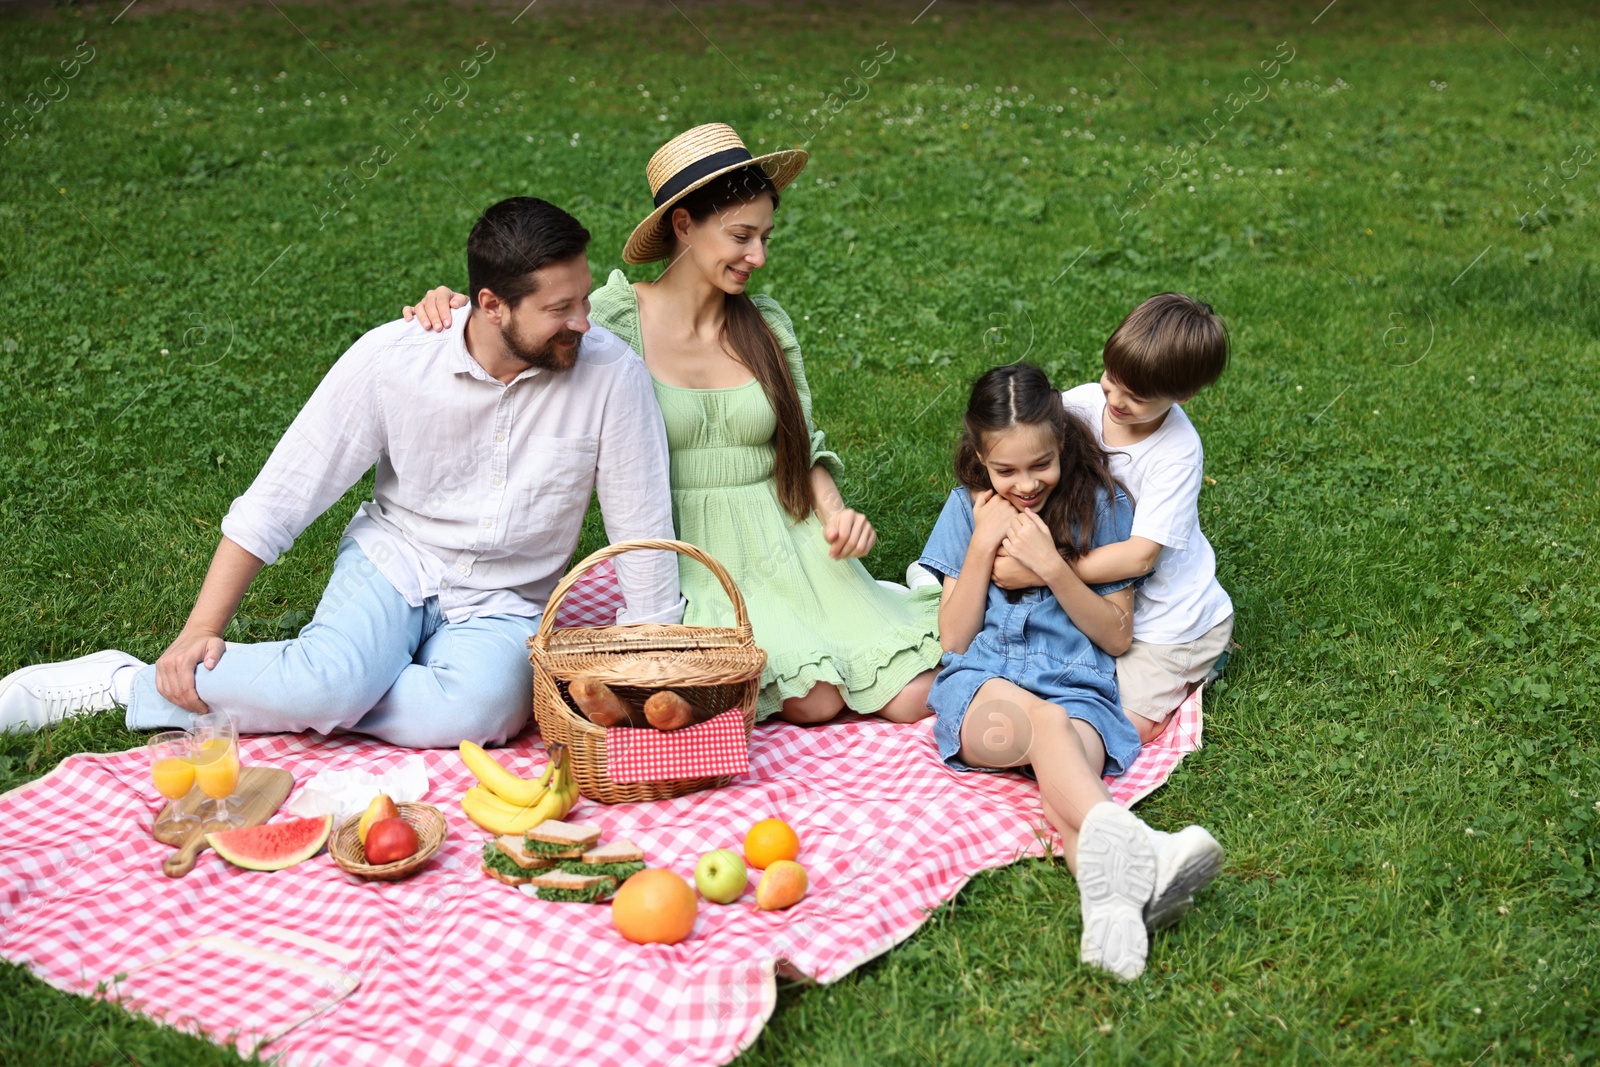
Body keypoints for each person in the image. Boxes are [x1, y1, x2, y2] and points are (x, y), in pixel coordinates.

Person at [0, 197, 681, 747]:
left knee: (479, 717)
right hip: (396, 560)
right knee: (333, 684)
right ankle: (130, 682)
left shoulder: (611, 377)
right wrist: (197, 629)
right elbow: (282, 496)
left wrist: (657, 670)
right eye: (560, 309)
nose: (584, 323)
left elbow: (641, 524)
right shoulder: (394, 359)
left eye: (583, 299)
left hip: (506, 599)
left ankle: (324, 684)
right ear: (490, 304)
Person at [404, 123, 941, 726]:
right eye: (741, 236)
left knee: (915, 693)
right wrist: (456, 311)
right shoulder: (612, 319)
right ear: (683, 225)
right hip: (689, 550)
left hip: (790, 539)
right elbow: (523, 335)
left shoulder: (765, 325)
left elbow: (804, 445)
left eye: (765, 237)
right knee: (812, 700)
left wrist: (836, 513)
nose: (757, 257)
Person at [916, 363, 1222, 982]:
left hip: (1081, 693)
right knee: (1047, 727)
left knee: (1067, 773)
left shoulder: (1104, 506)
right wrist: (982, 546)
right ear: (980, 456)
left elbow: (1115, 633)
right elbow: (954, 637)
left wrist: (1053, 568)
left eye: (1041, 465)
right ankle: (1146, 845)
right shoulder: (965, 509)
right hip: (985, 694)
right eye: (1005, 471)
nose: (1025, 484)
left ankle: (1112, 911)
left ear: (1062, 440)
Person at [993, 294, 1234, 743]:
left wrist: (1042, 569)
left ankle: (1204, 658)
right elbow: (1020, 444)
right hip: (1104, 597)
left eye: (1136, 397)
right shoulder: (1082, 403)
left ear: (1183, 395)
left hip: (1168, 622)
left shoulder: (1177, 452)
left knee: (1116, 724)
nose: (1116, 400)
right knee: (1051, 685)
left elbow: (1141, 557)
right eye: (1111, 380)